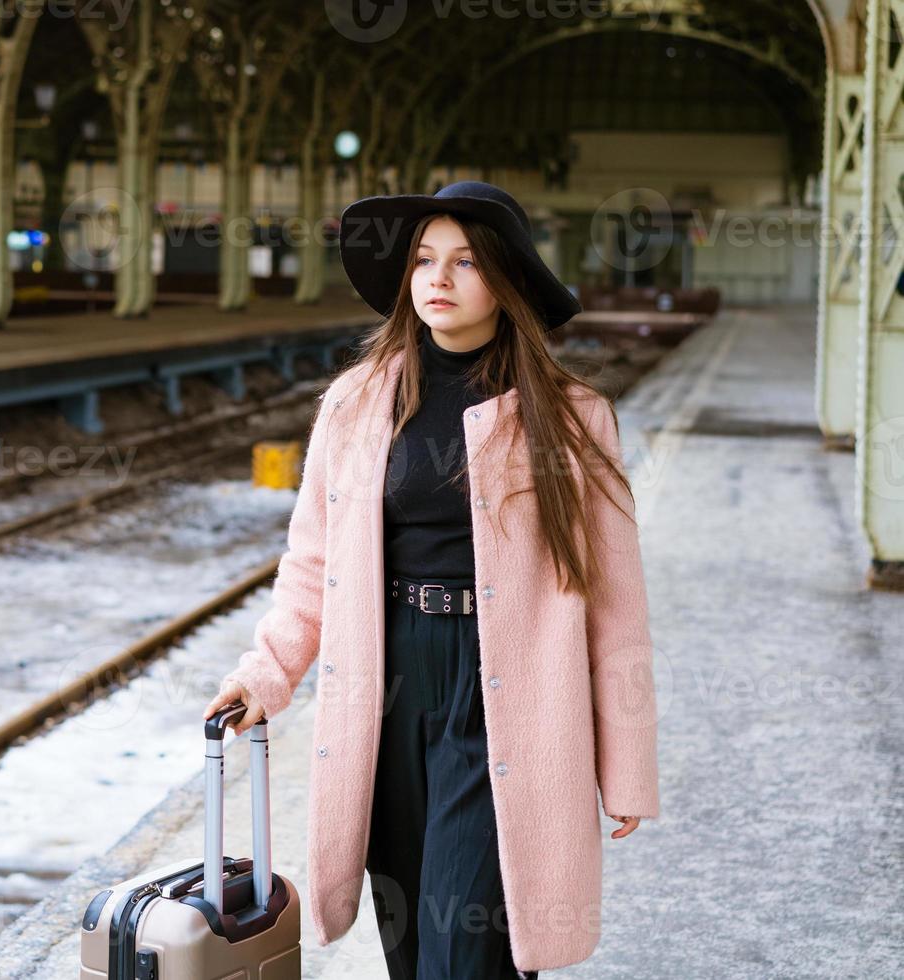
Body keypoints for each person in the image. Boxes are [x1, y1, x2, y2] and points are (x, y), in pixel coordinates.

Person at [202, 181, 660, 979]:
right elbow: (313, 565)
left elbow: (616, 605)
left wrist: (626, 764)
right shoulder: (356, 404)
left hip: (506, 686)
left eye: (464, 262)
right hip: (387, 678)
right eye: (422, 260)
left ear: (507, 281)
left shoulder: (572, 416)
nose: (436, 279)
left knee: (471, 946)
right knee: (411, 940)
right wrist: (265, 673)